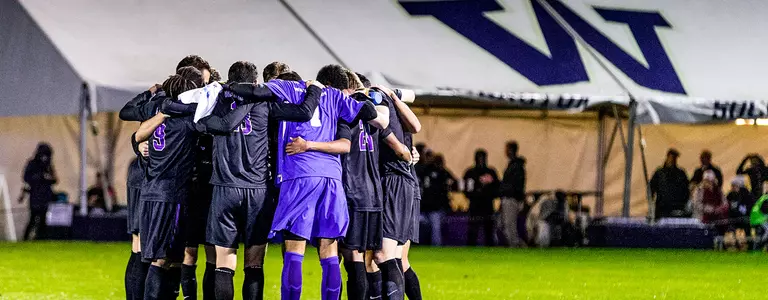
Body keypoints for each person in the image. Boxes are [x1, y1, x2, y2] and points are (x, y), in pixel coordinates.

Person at [230, 64, 384, 300]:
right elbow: (371, 114)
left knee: (294, 250)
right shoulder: (335, 97)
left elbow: (256, 93)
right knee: (329, 251)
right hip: (332, 179)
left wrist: (227, 88)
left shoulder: (290, 87)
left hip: (300, 174)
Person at [201, 61, 323, 300]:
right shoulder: (265, 103)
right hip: (257, 191)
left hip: (224, 189)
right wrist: (314, 89)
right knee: (254, 264)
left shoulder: (217, 102)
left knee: (224, 263)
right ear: (255, 82)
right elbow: (303, 113)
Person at [283, 70, 391, 300]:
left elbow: (344, 144)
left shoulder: (317, 101)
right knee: (338, 253)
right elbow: (380, 120)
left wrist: (308, 145)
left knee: (296, 250)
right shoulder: (349, 106)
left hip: (311, 178)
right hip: (344, 186)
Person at [19, 143, 57, 241]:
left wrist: (48, 178)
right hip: (35, 195)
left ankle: (41, 239)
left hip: (46, 195)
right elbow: (26, 178)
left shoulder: (49, 166)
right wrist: (38, 177)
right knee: (33, 218)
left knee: (44, 219)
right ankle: (26, 239)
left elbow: (55, 179)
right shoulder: (32, 164)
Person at [463, 149, 500, 246]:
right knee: (472, 232)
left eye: (483, 158)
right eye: (479, 158)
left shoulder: (491, 172)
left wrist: (488, 193)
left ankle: (490, 253)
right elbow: (466, 190)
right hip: (475, 207)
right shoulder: (470, 173)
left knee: (489, 232)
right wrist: (477, 193)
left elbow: (497, 188)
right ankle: (470, 254)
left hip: (488, 206)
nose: (481, 160)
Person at [420, 154, 457, 246]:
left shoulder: (438, 171)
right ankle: (431, 245)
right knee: (434, 228)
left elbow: (455, 183)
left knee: (435, 228)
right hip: (428, 206)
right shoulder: (429, 171)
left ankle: (435, 246)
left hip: (432, 207)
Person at [498, 141, 526, 247]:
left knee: (510, 226)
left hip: (511, 199)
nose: (505, 151)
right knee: (504, 224)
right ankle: (517, 245)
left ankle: (517, 246)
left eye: (506, 149)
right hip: (510, 198)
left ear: (510, 150)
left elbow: (513, 185)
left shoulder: (516, 167)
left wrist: (503, 190)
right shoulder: (515, 165)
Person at [649, 149, 689, 219]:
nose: (673, 160)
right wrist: (651, 202)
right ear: (667, 157)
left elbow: (686, 190)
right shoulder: (659, 173)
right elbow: (651, 188)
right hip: (662, 209)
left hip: (677, 209)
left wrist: (683, 204)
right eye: (671, 157)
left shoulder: (681, 173)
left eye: (674, 158)